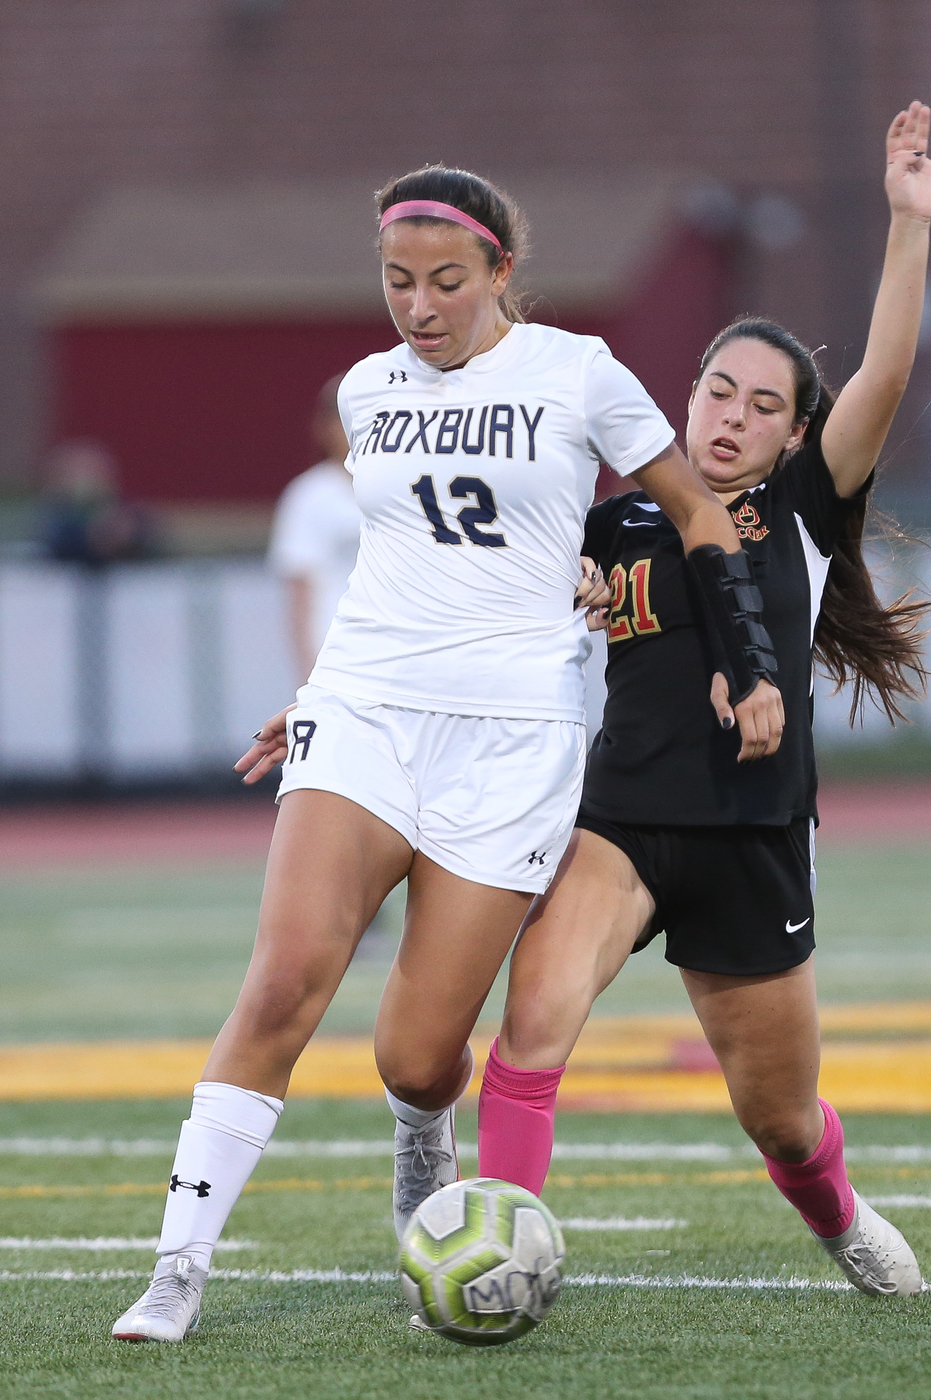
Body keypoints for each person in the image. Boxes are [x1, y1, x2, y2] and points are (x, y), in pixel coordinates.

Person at [111, 164, 784, 1343]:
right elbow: (395, 563)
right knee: (281, 980)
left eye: (445, 283)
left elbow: (694, 508)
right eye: (395, 281)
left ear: (501, 274)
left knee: (420, 1057)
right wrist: (312, 691)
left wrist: (746, 654)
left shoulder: (580, 373)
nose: (417, 308)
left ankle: (421, 1129)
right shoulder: (369, 390)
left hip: (513, 735)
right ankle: (177, 1266)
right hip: (365, 707)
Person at [476, 103, 931, 1298]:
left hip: (750, 832)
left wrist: (905, 225)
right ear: (685, 394)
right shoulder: (615, 511)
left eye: (761, 406)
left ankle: (838, 1215)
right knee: (530, 1026)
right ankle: (496, 1254)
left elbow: (884, 371)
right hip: (621, 816)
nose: (730, 418)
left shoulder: (797, 508)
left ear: (797, 431)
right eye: (717, 392)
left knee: (781, 1118)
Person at [268, 376, 364, 685]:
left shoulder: (401, 487)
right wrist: (309, 674)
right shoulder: (310, 495)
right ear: (323, 428)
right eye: (342, 421)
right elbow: (298, 589)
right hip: (336, 650)